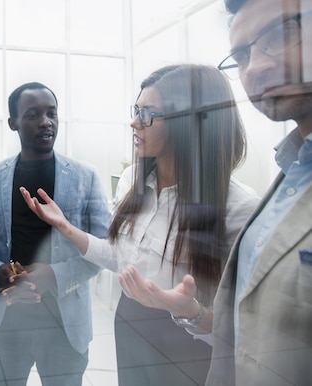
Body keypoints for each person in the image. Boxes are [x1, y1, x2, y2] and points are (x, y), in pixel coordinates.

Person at [20, 65, 259, 385]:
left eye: (148, 114)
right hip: (130, 317)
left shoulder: (239, 207)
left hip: (187, 341)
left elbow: (250, 328)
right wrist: (66, 228)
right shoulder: (133, 179)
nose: (134, 122)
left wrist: (192, 312)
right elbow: (122, 258)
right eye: (136, 110)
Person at [0, 82, 110, 386]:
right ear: (13, 123)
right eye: (33, 114)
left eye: (52, 113)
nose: (45, 122)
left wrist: (55, 275)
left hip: (64, 323)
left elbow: (104, 247)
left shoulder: (85, 176)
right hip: (8, 317)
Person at [205, 0, 312, 384]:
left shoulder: (242, 199)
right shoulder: (291, 172)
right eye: (242, 54)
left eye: (279, 36)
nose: (256, 67)